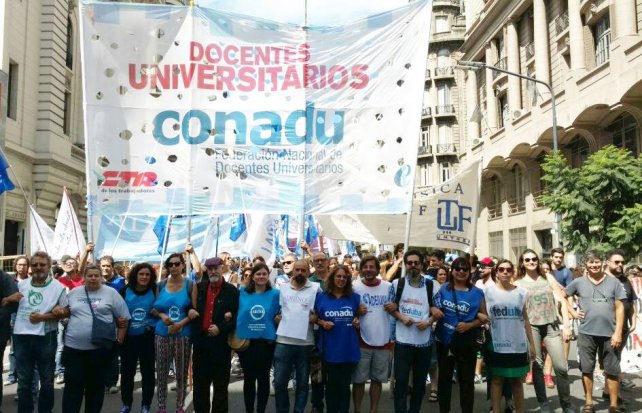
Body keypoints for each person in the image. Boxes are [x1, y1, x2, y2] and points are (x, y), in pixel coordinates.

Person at [58, 264, 130, 413]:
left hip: (99, 351)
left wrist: (119, 340)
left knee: (95, 390)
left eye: (96, 275)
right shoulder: (73, 293)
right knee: (72, 389)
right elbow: (64, 312)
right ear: (84, 277)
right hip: (74, 351)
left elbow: (124, 319)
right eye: (90, 275)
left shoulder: (111, 293)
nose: (93, 278)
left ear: (101, 277)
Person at [563, 251, 626, 413]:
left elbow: (620, 308)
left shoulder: (614, 283)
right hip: (586, 333)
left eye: (597, 262)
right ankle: (589, 403)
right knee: (587, 368)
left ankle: (613, 405)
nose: (594, 265)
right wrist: (573, 311)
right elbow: (562, 296)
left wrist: (618, 332)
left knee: (612, 370)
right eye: (590, 263)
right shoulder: (578, 282)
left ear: (603, 262)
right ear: (586, 265)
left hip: (609, 334)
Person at [513, 250, 574, 413]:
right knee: (537, 366)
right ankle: (544, 403)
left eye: (534, 259)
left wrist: (567, 325)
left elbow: (562, 300)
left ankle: (566, 404)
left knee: (561, 367)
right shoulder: (518, 283)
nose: (531, 262)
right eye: (527, 259)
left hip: (551, 326)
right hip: (532, 327)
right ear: (522, 262)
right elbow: (517, 309)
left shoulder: (548, 277)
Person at [433, 257, 486, 413]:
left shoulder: (477, 292)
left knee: (466, 382)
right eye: (458, 269)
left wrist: (470, 324)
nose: (461, 272)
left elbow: (484, 317)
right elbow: (433, 307)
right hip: (444, 341)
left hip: (467, 342)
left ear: (470, 272)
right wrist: (432, 310)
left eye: (465, 269)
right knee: (444, 381)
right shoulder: (443, 289)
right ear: (452, 271)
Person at [388, 249, 436, 413]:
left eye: (416, 263)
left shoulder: (431, 285)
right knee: (401, 382)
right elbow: (389, 307)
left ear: (422, 264)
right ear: (405, 265)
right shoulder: (397, 284)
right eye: (410, 263)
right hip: (403, 341)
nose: (413, 266)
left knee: (420, 383)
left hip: (424, 342)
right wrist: (401, 317)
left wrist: (429, 321)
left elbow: (438, 310)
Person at [485, 259, 536, 413]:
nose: (505, 272)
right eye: (501, 269)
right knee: (497, 380)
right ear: (496, 272)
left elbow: (525, 319)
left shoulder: (522, 293)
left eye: (508, 269)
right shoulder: (487, 292)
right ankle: (496, 410)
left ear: (513, 272)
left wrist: (532, 344)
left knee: (517, 381)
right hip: (496, 342)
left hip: (518, 344)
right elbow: (481, 314)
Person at [152, 252, 199, 413]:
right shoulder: (161, 285)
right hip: (162, 334)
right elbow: (154, 309)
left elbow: (193, 311)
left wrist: (180, 324)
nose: (173, 267)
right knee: (163, 372)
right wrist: (162, 315)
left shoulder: (190, 285)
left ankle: (180, 406)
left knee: (181, 372)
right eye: (170, 264)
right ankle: (161, 406)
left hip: (182, 335)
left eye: (176, 264)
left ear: (182, 265)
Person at [192, 257, 238, 413]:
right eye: (210, 268)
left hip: (221, 344)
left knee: (220, 386)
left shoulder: (232, 291)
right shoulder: (199, 288)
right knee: (200, 385)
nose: (213, 271)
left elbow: (237, 318)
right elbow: (188, 307)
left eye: (216, 268)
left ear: (222, 268)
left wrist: (221, 327)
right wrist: (189, 310)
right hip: (201, 343)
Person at [273, 260, 320, 413]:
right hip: (283, 341)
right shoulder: (283, 288)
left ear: (308, 272)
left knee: (302, 383)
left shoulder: (316, 288)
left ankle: (298, 411)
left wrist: (316, 318)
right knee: (279, 383)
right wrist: (276, 318)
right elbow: (277, 311)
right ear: (292, 271)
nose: (300, 273)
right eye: (297, 270)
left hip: (305, 343)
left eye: (303, 270)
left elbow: (323, 310)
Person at [314, 265, 361, 413]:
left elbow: (358, 318)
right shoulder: (321, 297)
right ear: (332, 278)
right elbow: (312, 317)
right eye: (338, 276)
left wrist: (357, 321)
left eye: (344, 277)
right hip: (329, 349)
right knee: (331, 387)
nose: (341, 279)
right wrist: (322, 322)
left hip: (348, 348)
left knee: (345, 387)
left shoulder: (355, 298)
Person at [236, 263, 280, 413]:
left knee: (263, 378)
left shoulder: (275, 294)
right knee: (249, 379)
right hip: (246, 342)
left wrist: (279, 317)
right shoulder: (242, 292)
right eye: (258, 274)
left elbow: (280, 313)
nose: (261, 276)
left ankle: (260, 410)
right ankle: (249, 410)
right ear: (252, 276)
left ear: (268, 276)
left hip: (266, 343)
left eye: (264, 274)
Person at [352, 255, 392, 413]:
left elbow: (397, 307)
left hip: (383, 340)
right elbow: (346, 310)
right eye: (365, 267)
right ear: (361, 269)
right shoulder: (354, 287)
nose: (368, 270)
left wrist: (394, 306)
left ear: (377, 269)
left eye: (372, 267)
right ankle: (357, 410)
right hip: (361, 340)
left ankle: (373, 410)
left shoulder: (388, 287)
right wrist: (356, 311)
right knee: (359, 380)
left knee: (377, 380)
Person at [120, 263, 158, 413]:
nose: (144, 277)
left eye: (147, 274)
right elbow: (117, 312)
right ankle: (126, 404)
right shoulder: (125, 291)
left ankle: (146, 405)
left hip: (147, 338)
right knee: (127, 373)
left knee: (148, 373)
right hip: (129, 338)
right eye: (141, 274)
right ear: (135, 275)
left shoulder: (155, 290)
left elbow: (161, 309)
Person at [605, 250, 637, 392]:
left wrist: (633, 321)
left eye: (622, 262)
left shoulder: (625, 280)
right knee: (611, 359)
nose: (620, 265)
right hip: (606, 327)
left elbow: (632, 301)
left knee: (616, 358)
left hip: (623, 327)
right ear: (607, 262)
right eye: (617, 262)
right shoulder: (601, 279)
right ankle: (614, 395)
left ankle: (609, 390)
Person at [309, 251, 330, 413]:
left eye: (323, 260)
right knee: (316, 373)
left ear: (328, 261)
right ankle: (317, 405)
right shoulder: (309, 282)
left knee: (332, 372)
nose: (320, 263)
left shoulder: (337, 279)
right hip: (316, 333)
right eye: (317, 261)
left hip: (335, 333)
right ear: (313, 263)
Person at [6, 256, 30, 386]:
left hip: (26, 318)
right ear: (15, 266)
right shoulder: (9, 281)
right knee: (13, 349)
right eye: (19, 265)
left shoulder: (32, 282)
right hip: (12, 316)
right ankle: (11, 374)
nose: (21, 267)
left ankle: (23, 377)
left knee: (23, 349)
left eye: (24, 265)